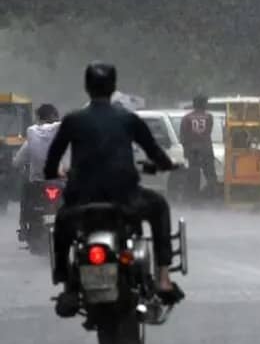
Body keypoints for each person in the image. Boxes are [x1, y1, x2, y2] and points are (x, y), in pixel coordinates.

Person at [44, 62, 184, 319]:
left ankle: (66, 285)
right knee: (159, 207)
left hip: (82, 203)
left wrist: (57, 172)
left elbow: (50, 164)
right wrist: (168, 165)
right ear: (114, 87)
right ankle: (163, 278)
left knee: (62, 223)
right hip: (125, 200)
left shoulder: (73, 120)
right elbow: (157, 154)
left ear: (87, 87)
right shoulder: (129, 119)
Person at [12, 104, 67, 234]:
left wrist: (16, 165)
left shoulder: (32, 134)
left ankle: (24, 227)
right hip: (61, 181)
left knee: (26, 195)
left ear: (39, 118)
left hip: (37, 182)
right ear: (54, 116)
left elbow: (18, 160)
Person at [180, 95, 219, 202]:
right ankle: (212, 198)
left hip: (193, 150)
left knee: (193, 175)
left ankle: (193, 198)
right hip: (206, 149)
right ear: (203, 104)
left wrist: (186, 151)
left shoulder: (186, 118)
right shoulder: (209, 117)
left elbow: (183, 136)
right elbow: (208, 132)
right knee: (210, 175)